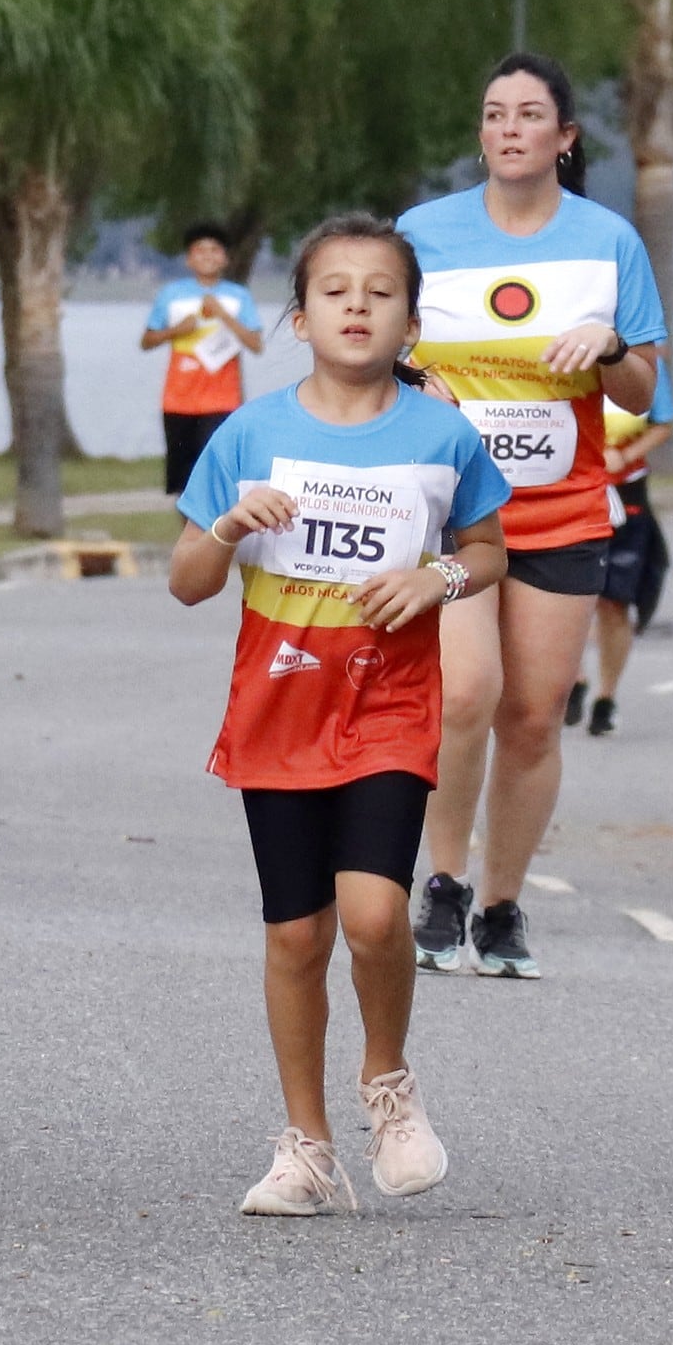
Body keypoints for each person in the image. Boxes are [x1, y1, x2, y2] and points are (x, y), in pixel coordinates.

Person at [167, 216, 509, 1216]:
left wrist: (438, 579)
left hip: (388, 707)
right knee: (295, 938)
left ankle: (388, 1084)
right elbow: (186, 581)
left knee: (373, 915)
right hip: (278, 712)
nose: (357, 305)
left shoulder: (442, 435)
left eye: (380, 291)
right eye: (335, 290)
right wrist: (227, 525)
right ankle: (306, 1147)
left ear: (410, 323)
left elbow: (489, 550)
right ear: (300, 318)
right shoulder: (249, 434)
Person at [400, 54, 666, 983]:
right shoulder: (424, 234)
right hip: (453, 516)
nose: (508, 128)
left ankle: (502, 906)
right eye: (493, 114)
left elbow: (644, 388)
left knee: (533, 716)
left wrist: (610, 345)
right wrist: (413, 382)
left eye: (528, 115)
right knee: (464, 693)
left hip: (562, 514)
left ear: (565, 137)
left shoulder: (607, 242)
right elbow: (377, 344)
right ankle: (444, 883)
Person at [142, 224, 265, 498]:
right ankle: (188, 527)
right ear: (189, 259)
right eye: (200, 251)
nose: (208, 256)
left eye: (214, 250)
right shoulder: (171, 295)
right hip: (179, 400)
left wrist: (223, 315)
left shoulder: (238, 297)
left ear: (225, 258)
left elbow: (256, 344)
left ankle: (217, 525)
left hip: (222, 400)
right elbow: (147, 340)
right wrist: (176, 331)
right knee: (183, 482)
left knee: (219, 475)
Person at [574, 396, 665, 738]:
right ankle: (574, 679)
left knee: (615, 602)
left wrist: (625, 455)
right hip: (571, 489)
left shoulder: (643, 367)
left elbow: (663, 423)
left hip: (627, 493)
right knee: (571, 595)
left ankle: (606, 698)